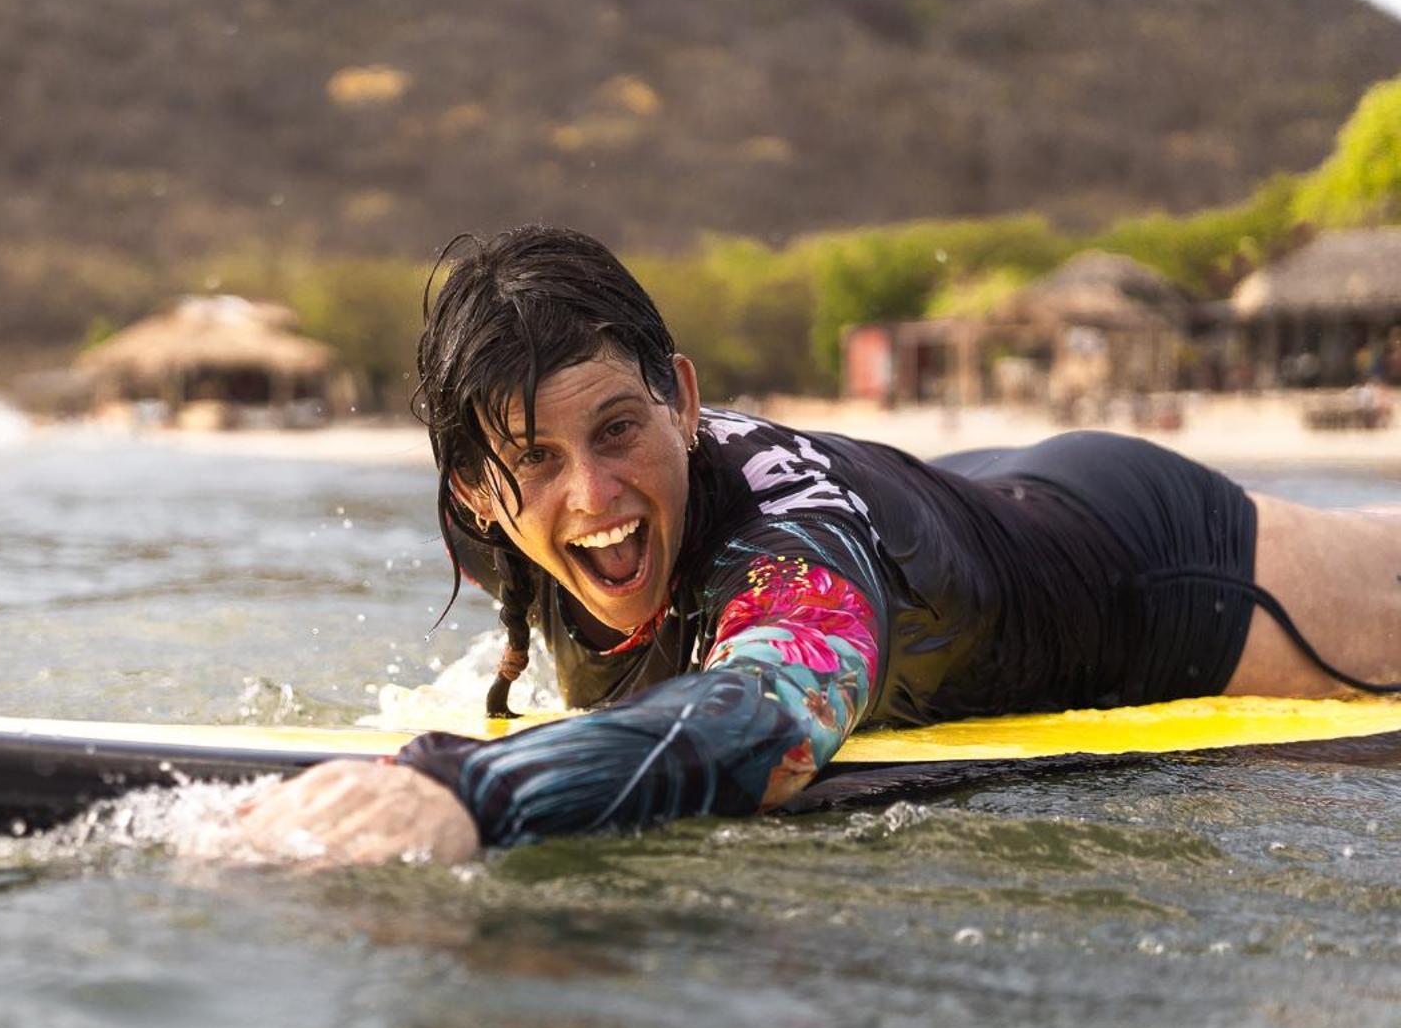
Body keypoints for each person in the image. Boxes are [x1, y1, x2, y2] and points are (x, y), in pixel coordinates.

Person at [234, 226, 1401, 866]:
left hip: (1160, 565)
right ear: (475, 494)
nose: (590, 493)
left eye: (618, 428)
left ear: (682, 400)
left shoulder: (795, 557)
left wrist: (473, 790)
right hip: (955, 513)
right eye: (534, 460)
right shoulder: (499, 516)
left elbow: (767, 715)